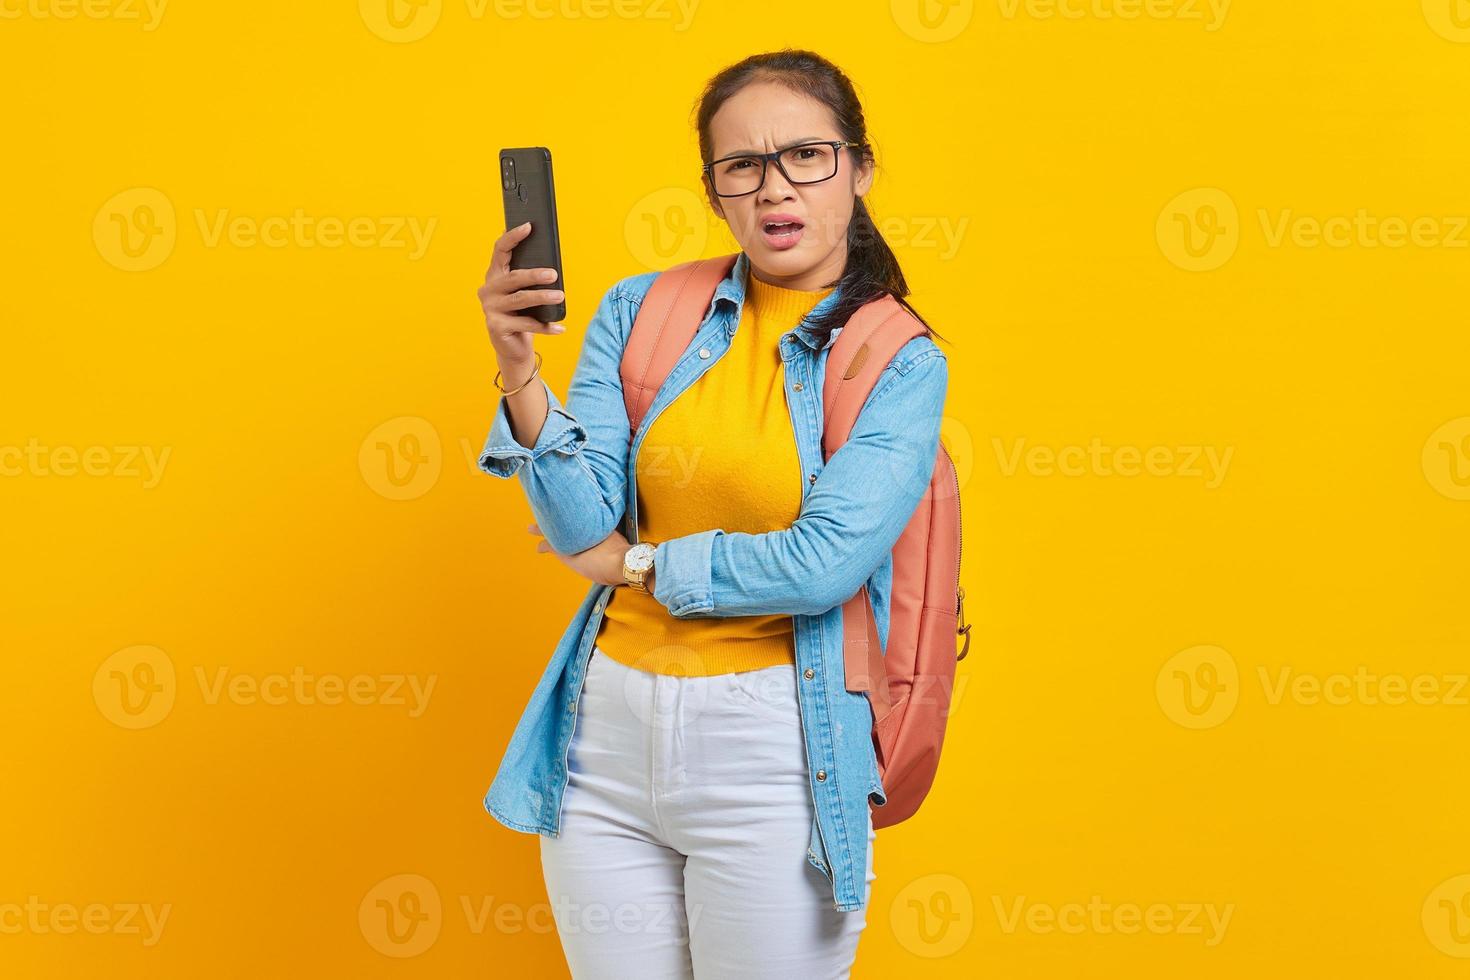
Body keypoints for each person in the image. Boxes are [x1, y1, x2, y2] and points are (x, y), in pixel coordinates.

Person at [476, 48, 950, 979]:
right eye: (742, 167)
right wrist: (520, 371)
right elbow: (583, 524)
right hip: (602, 738)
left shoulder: (899, 358)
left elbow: (822, 564)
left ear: (857, 167)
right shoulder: (644, 307)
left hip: (776, 746)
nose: (776, 189)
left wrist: (644, 566)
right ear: (717, 191)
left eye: (806, 156)